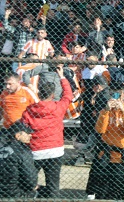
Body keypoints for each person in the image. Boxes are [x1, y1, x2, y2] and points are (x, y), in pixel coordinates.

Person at [21, 66, 73, 198]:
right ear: (53, 95)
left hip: (35, 151)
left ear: (39, 93)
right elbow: (68, 95)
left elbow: (23, 127)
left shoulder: (30, 110)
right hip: (55, 150)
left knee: (28, 183)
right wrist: (62, 77)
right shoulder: (58, 107)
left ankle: (29, 196)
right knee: (53, 185)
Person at [86, 76, 124, 200]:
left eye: (118, 95)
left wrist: (123, 111)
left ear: (123, 96)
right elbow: (100, 129)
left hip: (123, 155)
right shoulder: (106, 110)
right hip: (107, 154)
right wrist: (105, 110)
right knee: (103, 193)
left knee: (119, 191)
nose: (115, 98)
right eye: (113, 95)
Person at [0, 121, 38, 198]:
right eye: (27, 133)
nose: (30, 135)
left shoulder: (2, 146)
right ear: (17, 136)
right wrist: (34, 186)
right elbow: (31, 180)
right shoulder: (23, 151)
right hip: (16, 192)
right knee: (42, 190)